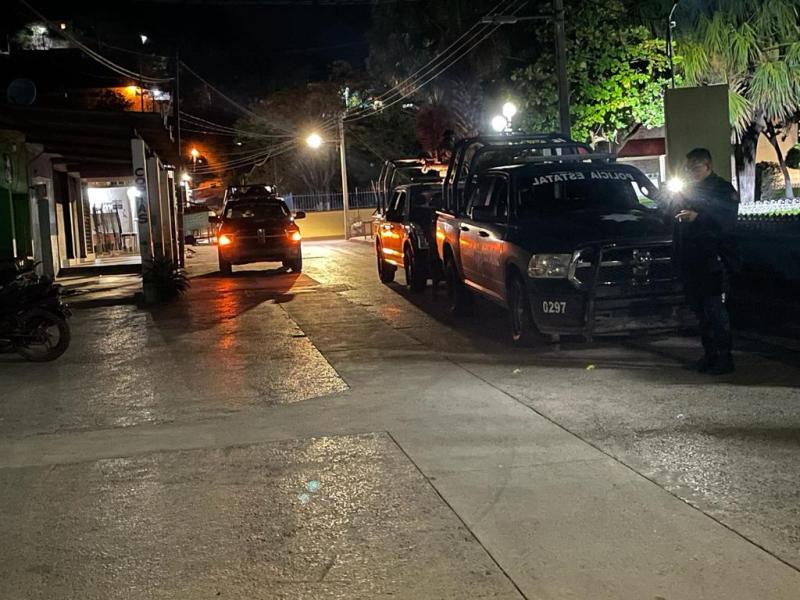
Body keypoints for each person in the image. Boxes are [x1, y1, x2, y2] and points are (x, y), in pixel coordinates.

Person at [675, 148, 740, 375]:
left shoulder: (722, 189)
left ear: (707, 166)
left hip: (714, 258)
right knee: (700, 310)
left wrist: (698, 217)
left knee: (715, 308)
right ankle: (710, 354)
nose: (691, 172)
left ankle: (724, 357)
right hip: (693, 258)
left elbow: (726, 221)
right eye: (688, 168)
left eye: (695, 167)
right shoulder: (689, 190)